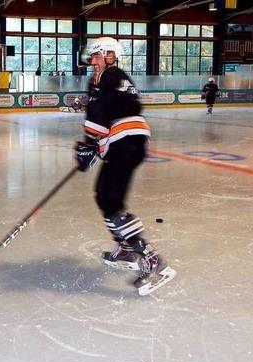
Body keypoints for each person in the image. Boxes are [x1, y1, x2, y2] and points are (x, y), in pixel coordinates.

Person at [74, 37, 176, 295]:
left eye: (96, 56)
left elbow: (98, 115)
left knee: (110, 199)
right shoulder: (112, 77)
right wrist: (94, 147)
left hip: (126, 142)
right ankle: (127, 250)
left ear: (110, 55)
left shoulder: (108, 76)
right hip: (125, 140)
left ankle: (152, 260)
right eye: (92, 57)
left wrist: (89, 144)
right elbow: (109, 115)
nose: (92, 62)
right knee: (104, 196)